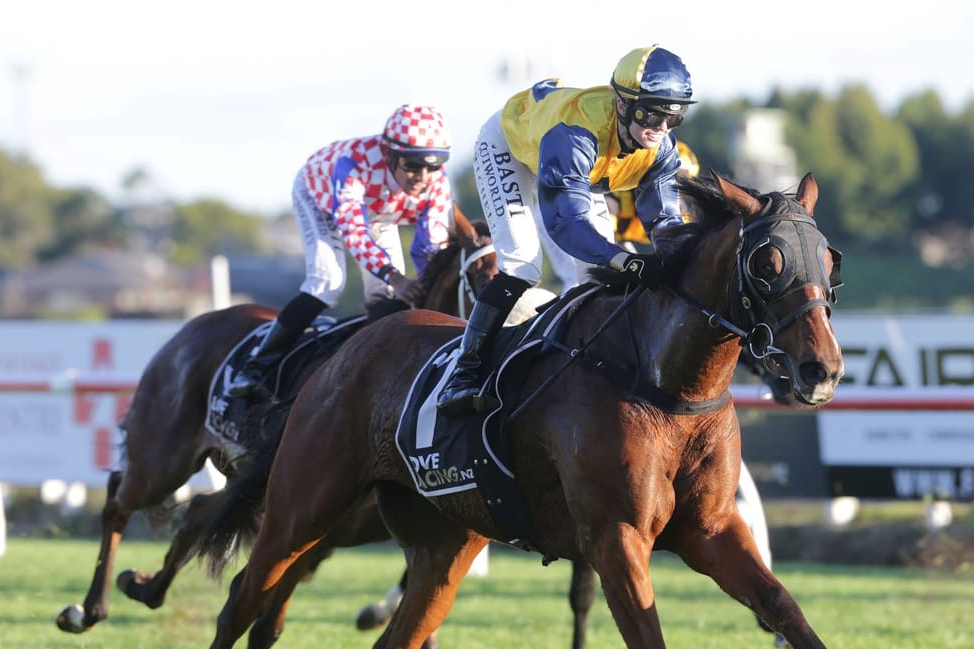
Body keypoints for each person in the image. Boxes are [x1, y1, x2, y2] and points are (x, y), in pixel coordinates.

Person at [436, 45, 698, 414]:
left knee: (591, 275)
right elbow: (566, 224)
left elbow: (667, 222)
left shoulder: (661, 147)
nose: (660, 128)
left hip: (579, 169)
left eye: (673, 118)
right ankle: (463, 374)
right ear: (622, 105)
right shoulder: (576, 132)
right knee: (523, 264)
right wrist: (628, 261)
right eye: (651, 114)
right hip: (511, 149)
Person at [228, 104, 454, 398]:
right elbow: (355, 234)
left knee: (389, 296)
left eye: (432, 166)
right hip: (319, 196)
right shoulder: (354, 165)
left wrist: (427, 285)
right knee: (327, 282)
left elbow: (431, 247)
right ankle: (255, 367)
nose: (422, 176)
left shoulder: (437, 182)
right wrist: (396, 276)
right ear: (389, 154)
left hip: (377, 211)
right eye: (411, 165)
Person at [607, 139, 700, 251]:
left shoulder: (679, 213)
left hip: (618, 241)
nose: (671, 187)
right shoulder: (619, 189)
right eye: (669, 177)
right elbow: (602, 230)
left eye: (680, 182)